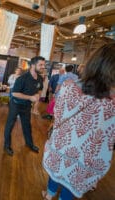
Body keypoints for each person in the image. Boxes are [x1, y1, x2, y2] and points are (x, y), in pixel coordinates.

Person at [42, 43, 115, 200]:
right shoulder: (112, 101)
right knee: (73, 179)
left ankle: (49, 194)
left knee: (57, 168)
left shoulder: (69, 87)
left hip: (63, 142)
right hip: (87, 154)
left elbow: (58, 113)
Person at [3, 56, 45, 156]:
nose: (43, 67)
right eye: (41, 65)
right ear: (33, 65)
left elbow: (39, 89)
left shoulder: (39, 78)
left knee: (27, 125)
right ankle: (7, 145)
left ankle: (29, 144)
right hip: (16, 105)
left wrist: (37, 95)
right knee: (10, 125)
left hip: (26, 106)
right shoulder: (22, 78)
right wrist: (30, 97)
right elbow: (14, 93)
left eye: (44, 65)